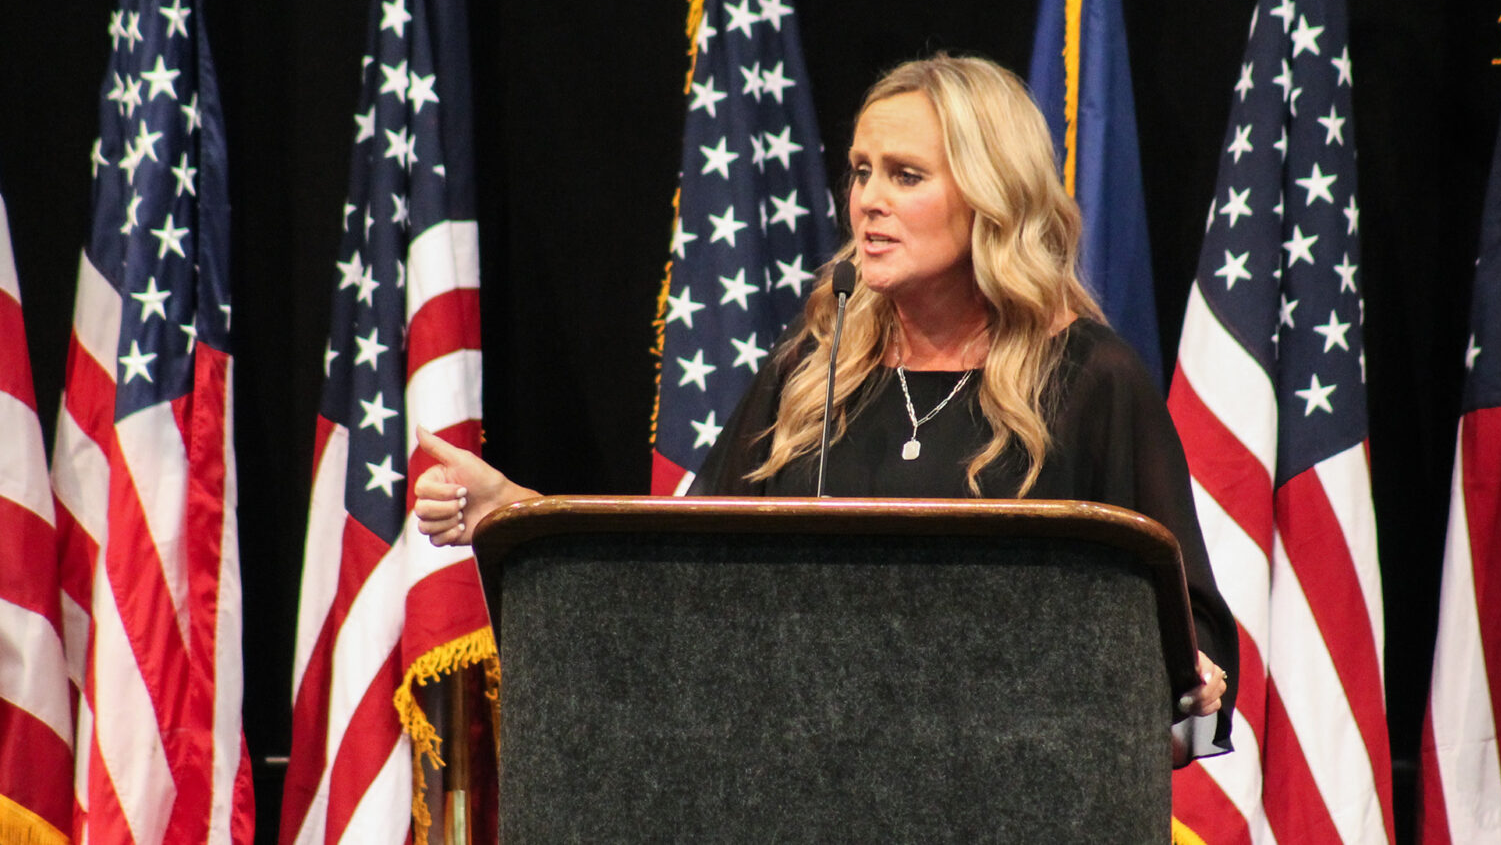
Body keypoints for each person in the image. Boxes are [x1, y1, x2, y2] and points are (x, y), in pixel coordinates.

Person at [413, 53, 1237, 759]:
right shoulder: (815, 373)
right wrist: (518, 510)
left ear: (991, 196)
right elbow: (672, 569)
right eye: (862, 170)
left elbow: (1185, 619)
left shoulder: (1088, 380)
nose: (868, 200)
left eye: (906, 176)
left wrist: (1184, 674)